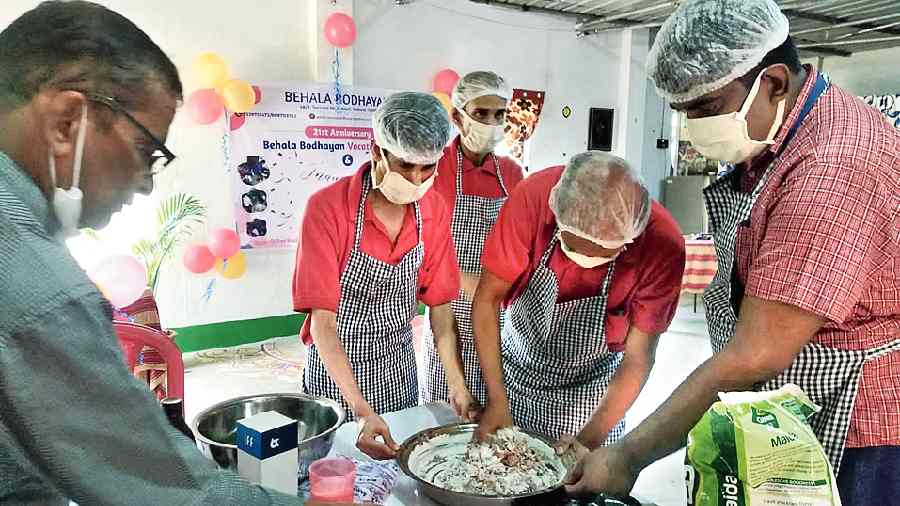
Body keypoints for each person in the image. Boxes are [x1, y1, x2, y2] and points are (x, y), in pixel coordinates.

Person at [564, 1, 900, 504]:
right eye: (682, 112)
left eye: (705, 109)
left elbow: (754, 354)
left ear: (775, 83)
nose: (692, 128)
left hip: (853, 427)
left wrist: (626, 455)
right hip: (778, 403)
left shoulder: (832, 166)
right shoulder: (776, 136)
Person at [0, 2, 317, 504]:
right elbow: (175, 491)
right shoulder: (36, 284)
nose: (147, 185)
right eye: (147, 151)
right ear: (65, 122)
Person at [292, 91, 475, 460]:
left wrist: (457, 383)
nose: (417, 178)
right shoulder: (328, 209)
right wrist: (360, 411)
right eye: (406, 166)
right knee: (339, 471)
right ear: (377, 151)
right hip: (336, 371)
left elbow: (440, 308)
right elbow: (322, 325)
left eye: (428, 168)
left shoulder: (434, 210)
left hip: (398, 367)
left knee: (395, 475)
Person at [472, 152, 685, 452]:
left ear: (628, 241)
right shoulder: (534, 198)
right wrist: (497, 399)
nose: (586, 263)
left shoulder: (662, 244)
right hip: (514, 376)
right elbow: (487, 299)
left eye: (603, 255)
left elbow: (638, 358)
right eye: (572, 246)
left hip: (591, 395)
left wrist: (589, 441)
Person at [421, 71, 524, 410]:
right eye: (481, 114)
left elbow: (518, 239)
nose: (491, 123)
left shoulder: (511, 173)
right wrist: (464, 281)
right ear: (457, 116)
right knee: (450, 404)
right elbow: (422, 246)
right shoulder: (433, 169)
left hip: (497, 306)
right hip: (446, 302)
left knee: (493, 400)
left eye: (499, 114)